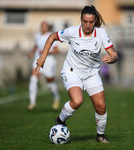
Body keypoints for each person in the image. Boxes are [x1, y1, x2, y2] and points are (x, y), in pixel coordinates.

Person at [35, 5, 118, 143]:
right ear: (81, 20)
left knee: (101, 107)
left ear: (95, 20)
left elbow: (114, 54)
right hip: (72, 72)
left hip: (91, 74)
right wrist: (43, 57)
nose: (88, 25)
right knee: (77, 101)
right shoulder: (72, 31)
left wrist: (112, 58)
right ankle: (60, 120)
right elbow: (51, 37)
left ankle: (100, 136)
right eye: (85, 21)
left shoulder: (101, 33)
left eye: (91, 22)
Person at [27, 21, 60, 111]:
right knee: (33, 79)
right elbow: (35, 46)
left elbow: (57, 50)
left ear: (48, 27)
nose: (43, 28)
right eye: (42, 26)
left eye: (45, 26)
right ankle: (32, 103)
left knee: (49, 83)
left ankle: (56, 98)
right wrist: (31, 52)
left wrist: (46, 52)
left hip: (49, 62)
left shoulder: (51, 36)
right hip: (38, 60)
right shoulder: (37, 36)